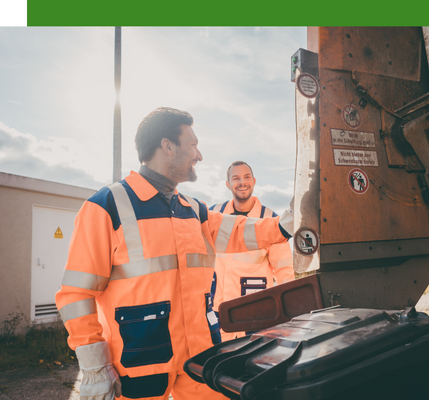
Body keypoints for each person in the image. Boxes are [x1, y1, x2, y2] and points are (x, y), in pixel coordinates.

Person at [55, 107, 293, 400]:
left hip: (200, 356)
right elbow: (76, 294)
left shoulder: (193, 210)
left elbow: (245, 231)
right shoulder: (107, 207)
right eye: (192, 144)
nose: (199, 154)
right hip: (140, 361)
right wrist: (93, 365)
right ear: (167, 146)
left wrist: (289, 223)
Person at [210, 161, 295, 340]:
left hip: (257, 311)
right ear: (228, 184)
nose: (242, 182)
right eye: (236, 178)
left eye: (246, 177)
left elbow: (284, 271)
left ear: (254, 181)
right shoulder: (214, 214)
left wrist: (290, 313)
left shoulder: (271, 220)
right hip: (218, 311)